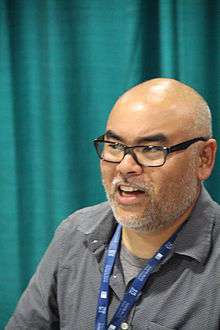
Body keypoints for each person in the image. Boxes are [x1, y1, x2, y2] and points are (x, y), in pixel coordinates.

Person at [6, 78, 220, 330]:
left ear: (204, 158)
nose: (125, 166)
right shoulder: (75, 234)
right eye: (115, 146)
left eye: (151, 148)